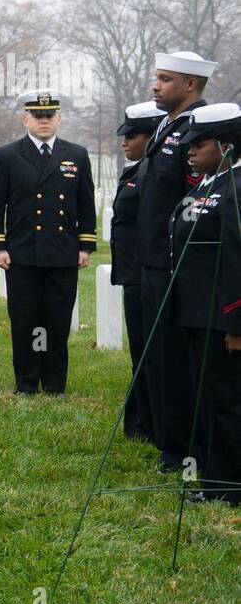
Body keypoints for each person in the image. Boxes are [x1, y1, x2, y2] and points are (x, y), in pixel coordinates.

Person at [0, 90, 97, 395]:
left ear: (59, 119)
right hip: (22, 253)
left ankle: (55, 382)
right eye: (37, 116)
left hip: (62, 252)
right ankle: (27, 381)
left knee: (57, 320)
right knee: (26, 320)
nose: (44, 121)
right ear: (26, 119)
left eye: (49, 116)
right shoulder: (8, 155)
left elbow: (86, 203)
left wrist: (85, 245)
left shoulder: (76, 154)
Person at [138, 51, 213, 472]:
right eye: (157, 78)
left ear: (190, 85)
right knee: (158, 357)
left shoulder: (198, 131)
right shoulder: (166, 126)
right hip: (152, 260)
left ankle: (183, 448)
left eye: (165, 79)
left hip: (176, 264)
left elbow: (191, 199)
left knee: (176, 359)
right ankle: (168, 441)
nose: (156, 85)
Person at [168, 103, 241, 504]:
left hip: (222, 318)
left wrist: (235, 323)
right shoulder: (210, 184)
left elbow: (237, 258)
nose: (190, 151)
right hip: (196, 314)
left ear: (227, 145)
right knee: (209, 399)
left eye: (200, 143)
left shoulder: (236, 187)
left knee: (227, 401)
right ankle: (215, 477)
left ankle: (227, 488)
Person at [110, 101, 166, 442]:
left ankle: (149, 423)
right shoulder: (137, 170)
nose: (124, 142)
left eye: (132, 135)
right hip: (133, 273)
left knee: (148, 351)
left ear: (152, 136)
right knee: (139, 352)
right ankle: (141, 421)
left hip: (144, 273)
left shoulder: (153, 173)